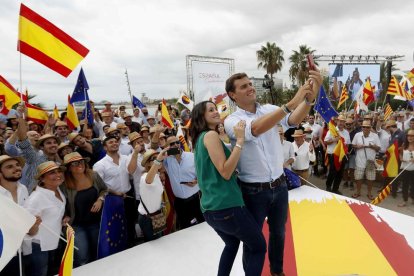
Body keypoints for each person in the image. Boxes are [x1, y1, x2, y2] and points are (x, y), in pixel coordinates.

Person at [224, 70, 321, 276]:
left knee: (279, 234)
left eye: (250, 84)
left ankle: (277, 272)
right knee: (253, 240)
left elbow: (293, 120)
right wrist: (291, 103)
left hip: (280, 185)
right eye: (243, 86)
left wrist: (309, 100)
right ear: (232, 95)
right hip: (252, 191)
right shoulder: (232, 120)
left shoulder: (268, 108)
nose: (250, 87)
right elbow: (256, 129)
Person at [190, 101, 266, 276]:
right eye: (210, 110)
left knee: (231, 244)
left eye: (215, 108)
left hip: (210, 209)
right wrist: (240, 140)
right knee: (259, 247)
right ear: (201, 117)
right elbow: (225, 171)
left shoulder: (200, 139)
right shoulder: (210, 135)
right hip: (227, 206)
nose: (216, 112)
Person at [61, 152, 107, 267]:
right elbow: (59, 203)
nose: (79, 165)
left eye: (81, 161)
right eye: (74, 163)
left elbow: (104, 189)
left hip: (96, 222)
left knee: (98, 252)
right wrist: (65, 216)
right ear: (68, 168)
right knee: (82, 257)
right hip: (76, 225)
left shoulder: (94, 175)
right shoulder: (64, 184)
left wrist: (100, 199)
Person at [24, 161, 68, 276]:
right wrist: (33, 225)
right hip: (39, 244)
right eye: (52, 173)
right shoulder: (35, 198)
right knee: (40, 272)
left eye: (59, 171)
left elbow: (55, 211)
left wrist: (63, 218)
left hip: (55, 240)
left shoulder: (58, 189)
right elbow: (27, 227)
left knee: (52, 271)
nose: (58, 174)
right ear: (42, 179)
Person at [93, 136, 137, 247]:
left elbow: (131, 171)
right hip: (111, 200)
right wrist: (114, 192)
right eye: (110, 142)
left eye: (116, 141)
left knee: (130, 225)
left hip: (127, 197)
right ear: (104, 147)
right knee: (116, 228)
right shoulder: (100, 165)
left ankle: (133, 248)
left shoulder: (126, 158)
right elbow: (98, 186)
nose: (114, 143)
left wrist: (135, 153)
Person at [0, 155, 34, 276]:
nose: (17, 168)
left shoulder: (23, 188)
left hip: (25, 247)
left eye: (17, 165)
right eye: (9, 167)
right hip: (5, 251)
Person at [163, 135, 204, 229]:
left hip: (196, 199)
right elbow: (153, 155)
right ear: (167, 146)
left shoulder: (192, 156)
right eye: (171, 144)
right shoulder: (166, 160)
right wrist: (165, 151)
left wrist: (196, 181)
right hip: (180, 202)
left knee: (201, 225)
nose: (175, 145)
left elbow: (203, 172)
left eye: (177, 142)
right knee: (185, 228)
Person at [136, 149, 168, 241]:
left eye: (159, 158)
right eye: (154, 158)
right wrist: (158, 161)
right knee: (155, 246)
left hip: (156, 216)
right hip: (148, 219)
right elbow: (148, 181)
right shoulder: (145, 176)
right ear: (148, 164)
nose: (158, 160)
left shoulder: (157, 175)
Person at [351, 120, 381, 199]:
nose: (365, 128)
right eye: (364, 127)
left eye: (367, 127)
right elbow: (353, 145)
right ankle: (358, 192)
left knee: (370, 178)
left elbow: (378, 148)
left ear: (370, 127)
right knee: (358, 178)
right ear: (362, 127)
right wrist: (358, 146)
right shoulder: (357, 135)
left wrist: (372, 146)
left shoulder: (375, 136)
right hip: (359, 161)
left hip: (370, 161)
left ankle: (369, 193)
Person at [324, 115, 351, 194]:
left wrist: (346, 151)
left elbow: (348, 144)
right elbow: (325, 142)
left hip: (342, 155)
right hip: (332, 154)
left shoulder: (346, 132)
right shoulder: (332, 130)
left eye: (343, 121)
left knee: (340, 172)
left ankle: (335, 189)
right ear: (337, 121)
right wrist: (334, 140)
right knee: (333, 171)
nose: (341, 123)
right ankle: (328, 186)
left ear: (344, 123)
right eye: (339, 121)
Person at [398, 129, 414, 207]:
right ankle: (405, 200)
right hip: (405, 169)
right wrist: (401, 158)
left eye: (412, 136)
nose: (410, 137)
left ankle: (413, 198)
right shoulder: (404, 145)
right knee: (405, 185)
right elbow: (400, 154)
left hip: (413, 170)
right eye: (408, 135)